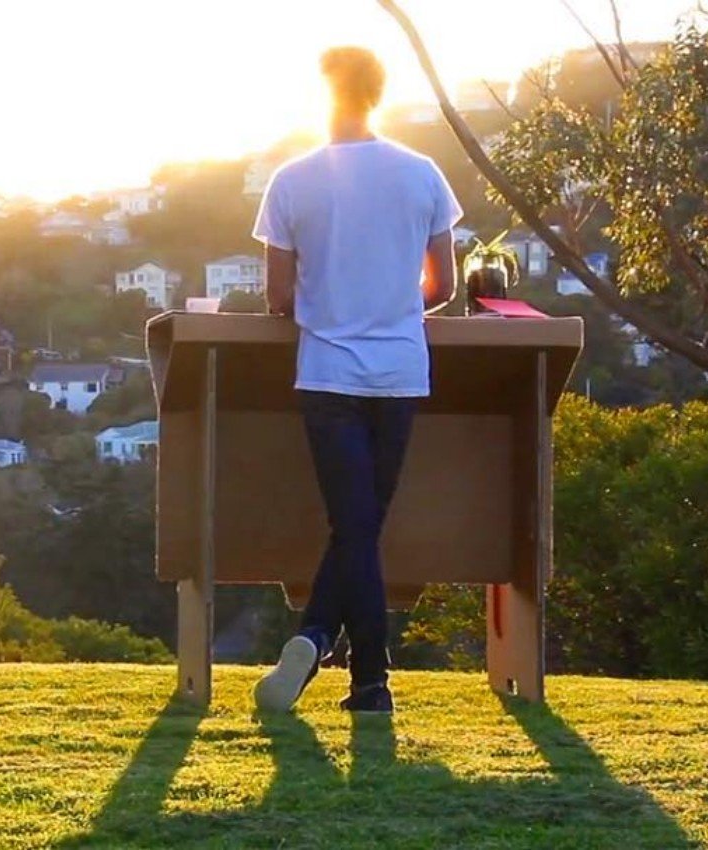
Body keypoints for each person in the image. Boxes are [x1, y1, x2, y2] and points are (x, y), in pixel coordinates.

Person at [250, 46, 462, 714]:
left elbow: (278, 299)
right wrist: (392, 301)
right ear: (378, 92)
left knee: (356, 528)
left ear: (324, 91)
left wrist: (333, 297)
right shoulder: (423, 174)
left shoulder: (290, 180)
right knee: (362, 529)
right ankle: (366, 680)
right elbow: (445, 286)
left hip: (328, 375)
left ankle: (327, 642)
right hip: (399, 374)